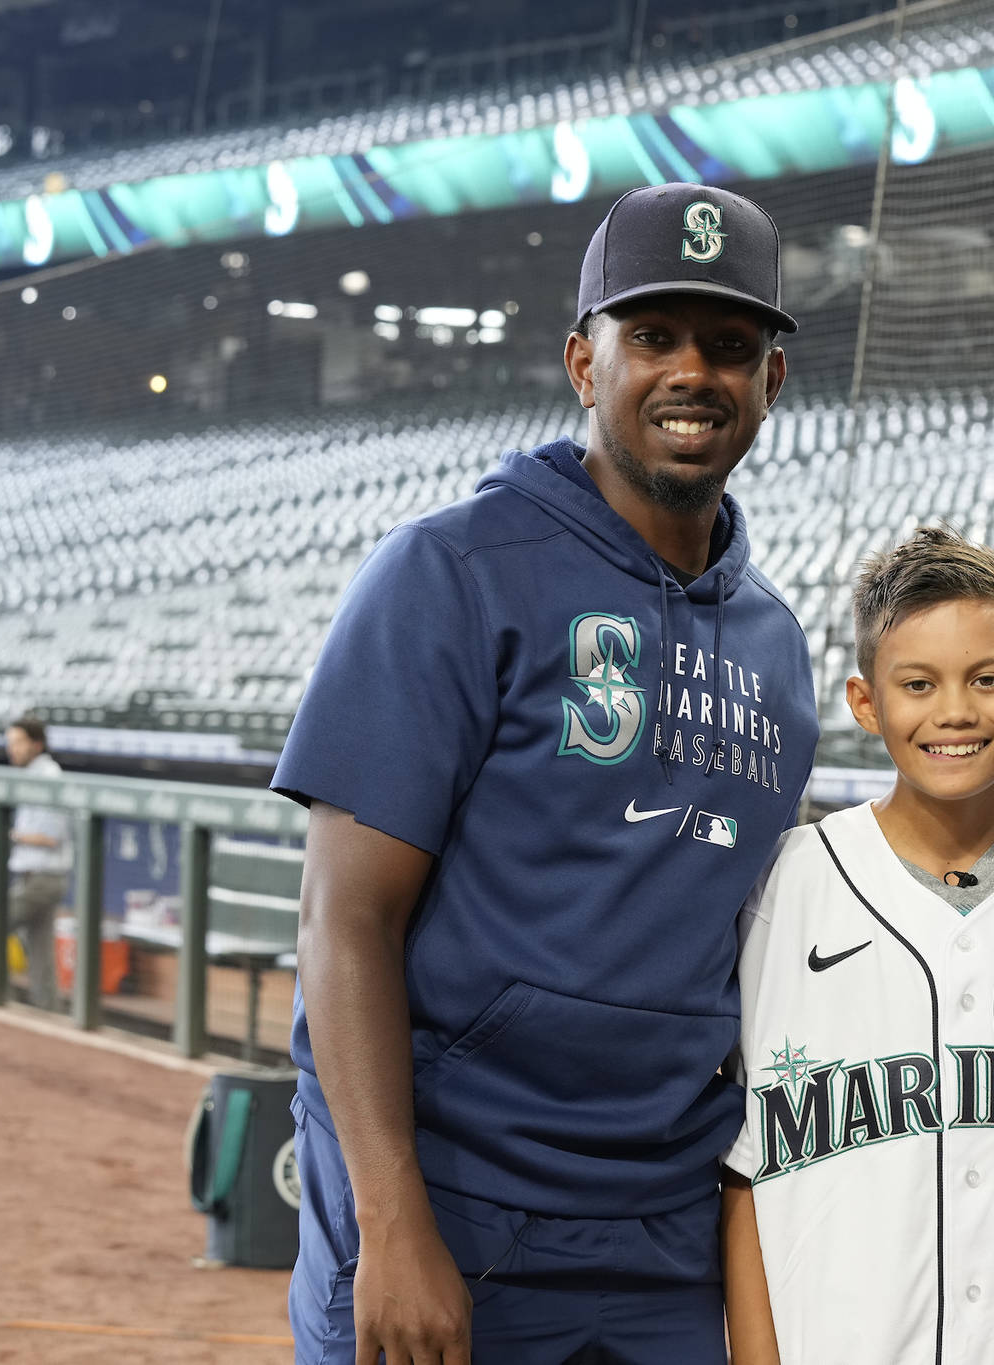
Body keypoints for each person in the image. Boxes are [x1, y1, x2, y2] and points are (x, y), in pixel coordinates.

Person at [273, 183, 820, 1365]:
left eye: (730, 347)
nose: (693, 373)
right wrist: (390, 1223)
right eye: (652, 337)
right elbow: (343, 920)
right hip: (451, 1198)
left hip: (662, 1222)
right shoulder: (449, 572)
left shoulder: (775, 641)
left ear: (771, 380)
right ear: (583, 362)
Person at [721, 527, 994, 1365]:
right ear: (865, 702)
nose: (955, 711)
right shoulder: (788, 881)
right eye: (917, 683)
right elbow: (744, 1174)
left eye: (986, 679)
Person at [4, 714, 71, 1011]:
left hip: (44, 877)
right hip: (33, 875)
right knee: (41, 951)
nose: (13, 749)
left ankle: (0, 1004)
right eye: (10, 743)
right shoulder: (30, 775)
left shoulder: (49, 777)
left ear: (37, 744)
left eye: (19, 742)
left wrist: (14, 835)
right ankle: (48, 1011)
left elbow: (51, 836)